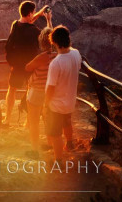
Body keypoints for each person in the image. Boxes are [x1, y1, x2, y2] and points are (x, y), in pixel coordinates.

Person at [3, 1, 48, 125]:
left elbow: (26, 21)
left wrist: (39, 14)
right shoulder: (34, 31)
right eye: (33, 12)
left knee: (12, 89)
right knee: (30, 90)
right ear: (29, 13)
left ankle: (7, 118)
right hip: (30, 65)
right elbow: (48, 37)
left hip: (16, 65)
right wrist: (48, 19)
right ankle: (28, 122)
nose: (33, 14)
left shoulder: (15, 25)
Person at [45, 26, 82, 162]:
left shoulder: (56, 63)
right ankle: (70, 143)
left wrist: (46, 103)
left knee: (55, 133)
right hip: (70, 99)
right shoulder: (76, 54)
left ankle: (59, 160)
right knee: (67, 122)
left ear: (53, 42)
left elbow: (50, 87)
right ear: (68, 39)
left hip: (56, 104)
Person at [24, 14, 55, 159]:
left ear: (42, 41)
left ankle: (34, 150)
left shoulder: (42, 57)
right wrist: (49, 20)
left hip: (37, 91)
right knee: (49, 119)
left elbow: (27, 68)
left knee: (34, 121)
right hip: (51, 92)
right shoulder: (58, 56)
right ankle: (50, 143)